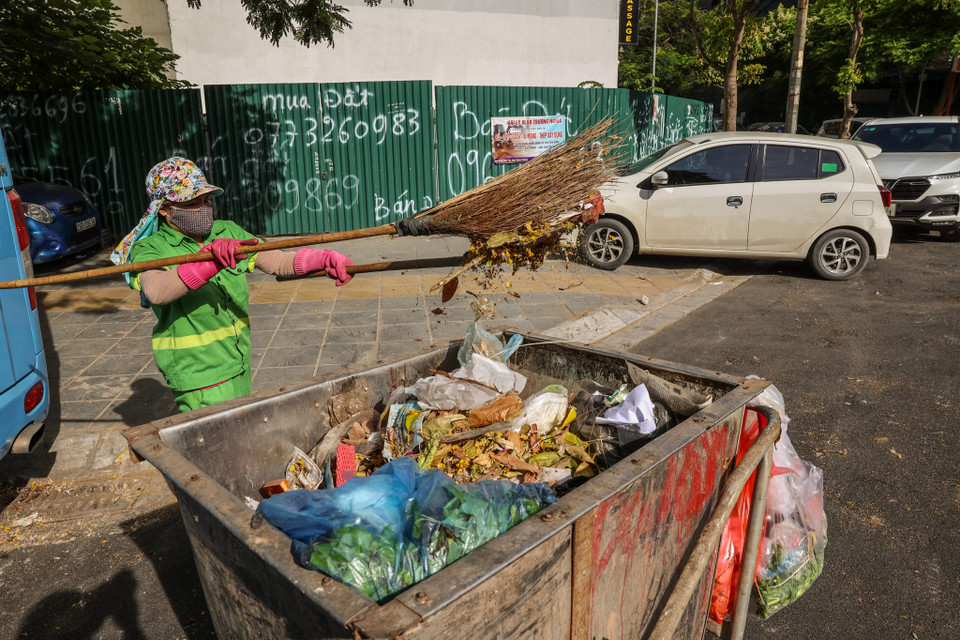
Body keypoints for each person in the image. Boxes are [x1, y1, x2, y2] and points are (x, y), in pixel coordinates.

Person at [111, 156, 353, 412]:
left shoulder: (226, 231)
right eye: (192, 203)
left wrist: (322, 259)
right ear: (164, 209)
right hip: (198, 373)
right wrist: (209, 262)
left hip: (238, 360)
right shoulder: (150, 248)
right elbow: (157, 291)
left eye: (206, 200)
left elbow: (276, 261)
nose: (203, 209)